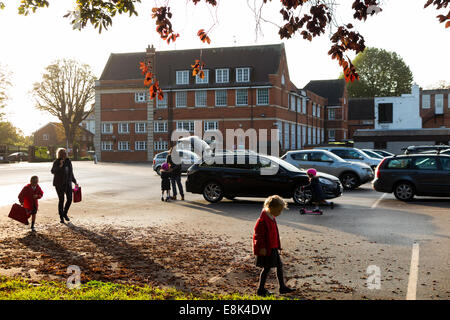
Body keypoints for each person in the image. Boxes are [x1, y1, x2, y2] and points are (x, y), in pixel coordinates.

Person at [253, 195, 295, 297]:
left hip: (273, 247)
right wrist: (262, 248)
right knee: (267, 268)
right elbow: (259, 235)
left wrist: (278, 245)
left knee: (279, 266)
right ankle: (261, 289)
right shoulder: (263, 220)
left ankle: (282, 287)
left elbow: (274, 233)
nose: (280, 213)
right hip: (267, 248)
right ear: (271, 208)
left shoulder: (271, 217)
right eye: (279, 210)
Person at [51, 148, 78, 223]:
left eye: (65, 153)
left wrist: (75, 181)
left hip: (67, 183)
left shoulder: (68, 162)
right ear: (60, 154)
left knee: (69, 199)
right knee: (61, 200)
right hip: (59, 184)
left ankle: (65, 213)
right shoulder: (56, 162)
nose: (65, 154)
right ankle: (61, 217)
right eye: (63, 153)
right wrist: (60, 166)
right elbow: (53, 171)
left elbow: (71, 173)